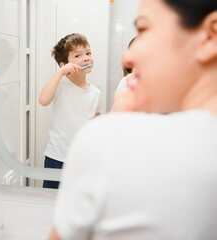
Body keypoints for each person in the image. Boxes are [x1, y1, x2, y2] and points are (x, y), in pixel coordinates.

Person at [50, 0, 217, 239]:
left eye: (145, 29)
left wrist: (110, 134)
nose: (127, 58)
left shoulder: (104, 142)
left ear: (211, 35)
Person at [39, 33, 101, 189]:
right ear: (64, 64)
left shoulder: (95, 93)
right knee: (50, 200)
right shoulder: (61, 85)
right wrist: (60, 73)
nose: (86, 58)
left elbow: (94, 125)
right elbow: (43, 100)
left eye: (88, 53)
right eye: (78, 55)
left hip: (82, 158)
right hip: (57, 157)